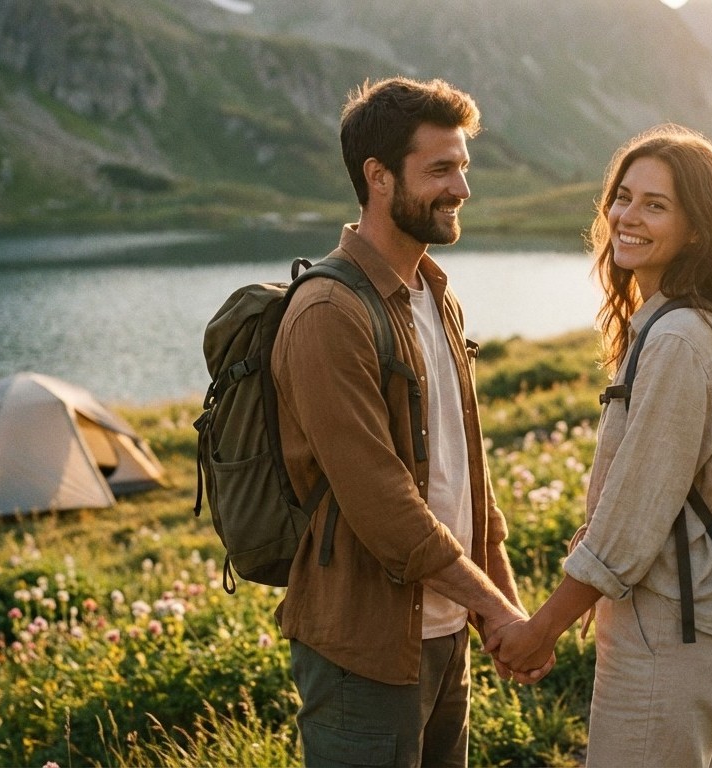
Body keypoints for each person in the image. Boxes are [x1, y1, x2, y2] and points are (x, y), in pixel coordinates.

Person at [271, 76, 549, 768]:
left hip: (444, 632)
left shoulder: (435, 294)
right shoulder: (329, 313)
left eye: (463, 167)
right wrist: (499, 612)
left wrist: (499, 605)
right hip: (364, 649)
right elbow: (381, 503)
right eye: (440, 170)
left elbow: (466, 472)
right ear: (379, 177)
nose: (461, 188)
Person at [486, 123, 712, 767]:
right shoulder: (688, 322)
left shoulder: (677, 340)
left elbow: (633, 518)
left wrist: (542, 628)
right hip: (687, 623)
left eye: (656, 204)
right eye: (622, 197)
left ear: (697, 228)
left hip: (669, 636)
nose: (627, 216)